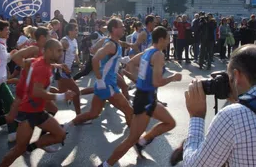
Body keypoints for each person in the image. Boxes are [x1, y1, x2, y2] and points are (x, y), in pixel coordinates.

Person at [100, 27, 182, 167]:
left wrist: (137, 79)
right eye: (168, 39)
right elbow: (157, 82)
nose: (169, 42)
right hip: (145, 100)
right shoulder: (158, 55)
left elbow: (131, 63)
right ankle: (106, 164)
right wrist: (173, 78)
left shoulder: (148, 51)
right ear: (161, 39)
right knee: (131, 139)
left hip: (148, 97)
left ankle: (142, 142)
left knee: (170, 123)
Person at [171, 44, 256, 166]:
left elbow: (194, 165)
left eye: (230, 77)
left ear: (237, 76)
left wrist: (196, 116)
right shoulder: (243, 111)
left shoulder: (232, 117)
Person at [0, 39, 76, 167]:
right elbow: (37, 92)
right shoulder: (42, 68)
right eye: (58, 50)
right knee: (18, 150)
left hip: (38, 111)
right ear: (49, 51)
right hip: (28, 113)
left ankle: (32, 146)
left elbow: (31, 63)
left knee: (60, 135)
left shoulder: (42, 61)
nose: (61, 53)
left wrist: (58, 66)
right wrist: (62, 96)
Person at [64, 18, 133, 129]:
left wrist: (117, 59)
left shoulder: (108, 41)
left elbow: (93, 50)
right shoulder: (110, 45)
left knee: (93, 114)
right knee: (129, 111)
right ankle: (135, 141)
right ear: (114, 29)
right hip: (107, 84)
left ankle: (66, 126)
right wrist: (100, 79)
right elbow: (95, 59)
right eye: (121, 26)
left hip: (105, 83)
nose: (124, 28)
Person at [55, 23, 82, 114]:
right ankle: (79, 116)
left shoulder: (74, 41)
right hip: (62, 71)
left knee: (61, 92)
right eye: (75, 30)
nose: (77, 32)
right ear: (70, 31)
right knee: (76, 91)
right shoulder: (64, 41)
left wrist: (79, 64)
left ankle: (43, 94)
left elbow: (75, 54)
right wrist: (61, 66)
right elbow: (56, 55)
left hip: (67, 70)